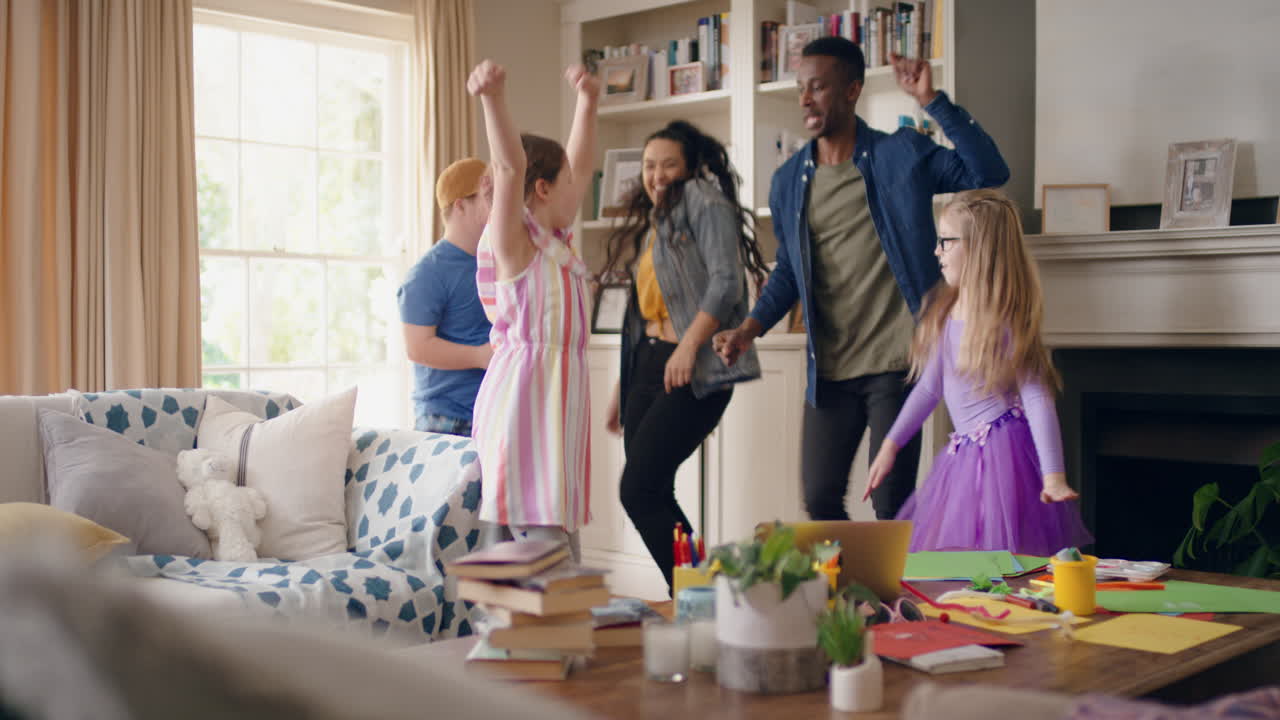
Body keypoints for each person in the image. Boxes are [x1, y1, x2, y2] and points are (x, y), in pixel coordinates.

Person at [712, 36, 1010, 521]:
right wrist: (749, 328)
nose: (805, 99)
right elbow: (789, 270)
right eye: (801, 88)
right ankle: (850, 598)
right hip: (829, 369)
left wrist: (932, 102)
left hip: (899, 363)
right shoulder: (789, 179)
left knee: (890, 507)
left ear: (851, 91)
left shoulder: (903, 154)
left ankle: (888, 599)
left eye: (818, 87)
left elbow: (990, 171)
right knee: (821, 499)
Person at [864, 189, 1093, 556]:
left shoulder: (1007, 320)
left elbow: (1036, 395)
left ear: (979, 248)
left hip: (1003, 453)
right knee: (960, 554)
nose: (937, 251)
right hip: (962, 456)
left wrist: (1054, 475)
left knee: (998, 552)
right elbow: (928, 389)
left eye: (946, 242)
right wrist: (891, 444)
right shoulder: (945, 311)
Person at [601, 120, 769, 595]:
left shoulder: (703, 200)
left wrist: (690, 346)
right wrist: (622, 384)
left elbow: (726, 283)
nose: (656, 175)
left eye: (668, 164)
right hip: (649, 363)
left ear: (691, 166)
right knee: (652, 489)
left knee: (638, 488)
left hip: (693, 366)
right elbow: (642, 310)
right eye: (649, 165)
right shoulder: (660, 218)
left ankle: (701, 595)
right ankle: (704, 596)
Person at [467, 59, 598, 560]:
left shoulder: (554, 244)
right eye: (567, 181)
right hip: (526, 406)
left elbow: (581, 164)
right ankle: (525, 631)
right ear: (542, 188)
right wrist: (493, 98)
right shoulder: (515, 246)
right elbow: (508, 167)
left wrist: (588, 102)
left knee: (555, 542)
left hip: (556, 408)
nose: (579, 186)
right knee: (539, 553)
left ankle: (537, 631)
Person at [397, 158, 494, 436]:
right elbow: (417, 347)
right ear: (460, 205)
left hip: (492, 412)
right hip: (446, 420)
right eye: (487, 198)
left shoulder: (497, 263)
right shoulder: (427, 274)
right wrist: (480, 355)